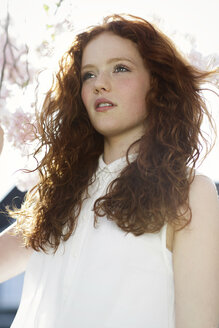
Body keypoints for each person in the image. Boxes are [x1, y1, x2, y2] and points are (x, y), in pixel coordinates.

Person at [0, 13, 219, 328]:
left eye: (120, 68)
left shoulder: (189, 191)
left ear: (157, 85)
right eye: (89, 74)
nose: (100, 83)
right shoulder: (58, 193)